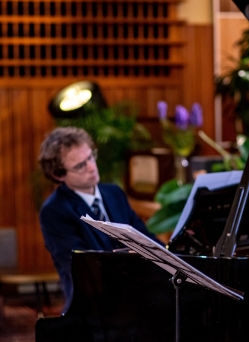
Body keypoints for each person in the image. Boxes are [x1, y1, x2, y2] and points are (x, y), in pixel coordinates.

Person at [38, 126, 163, 313]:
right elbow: (83, 266)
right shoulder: (54, 211)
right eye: (80, 165)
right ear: (58, 175)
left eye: (90, 157)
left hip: (134, 293)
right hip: (92, 305)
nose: (91, 167)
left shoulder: (114, 193)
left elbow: (145, 238)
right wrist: (131, 256)